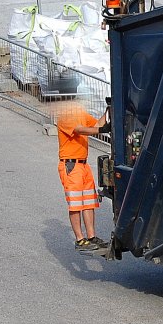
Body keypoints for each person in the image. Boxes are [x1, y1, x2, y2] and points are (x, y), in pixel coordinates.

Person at [56, 102, 109, 251]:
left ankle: (91, 237)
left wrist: (108, 110)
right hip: (71, 165)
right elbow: (80, 130)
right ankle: (80, 239)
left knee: (88, 202)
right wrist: (101, 129)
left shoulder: (79, 113)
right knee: (75, 204)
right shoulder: (64, 115)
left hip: (83, 165)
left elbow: (97, 124)